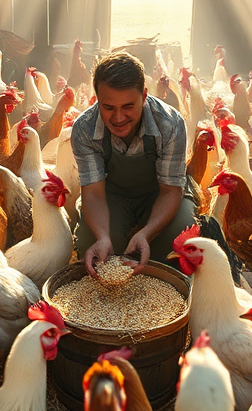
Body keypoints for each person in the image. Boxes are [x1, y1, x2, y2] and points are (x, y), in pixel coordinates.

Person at [71, 52, 196, 277]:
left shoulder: (170, 124)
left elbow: (170, 190)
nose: (118, 117)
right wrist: (102, 236)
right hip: (113, 195)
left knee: (178, 237)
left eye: (128, 106)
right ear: (97, 99)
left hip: (161, 193)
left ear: (144, 96)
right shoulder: (84, 129)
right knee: (91, 243)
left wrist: (146, 234)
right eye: (108, 107)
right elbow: (93, 194)